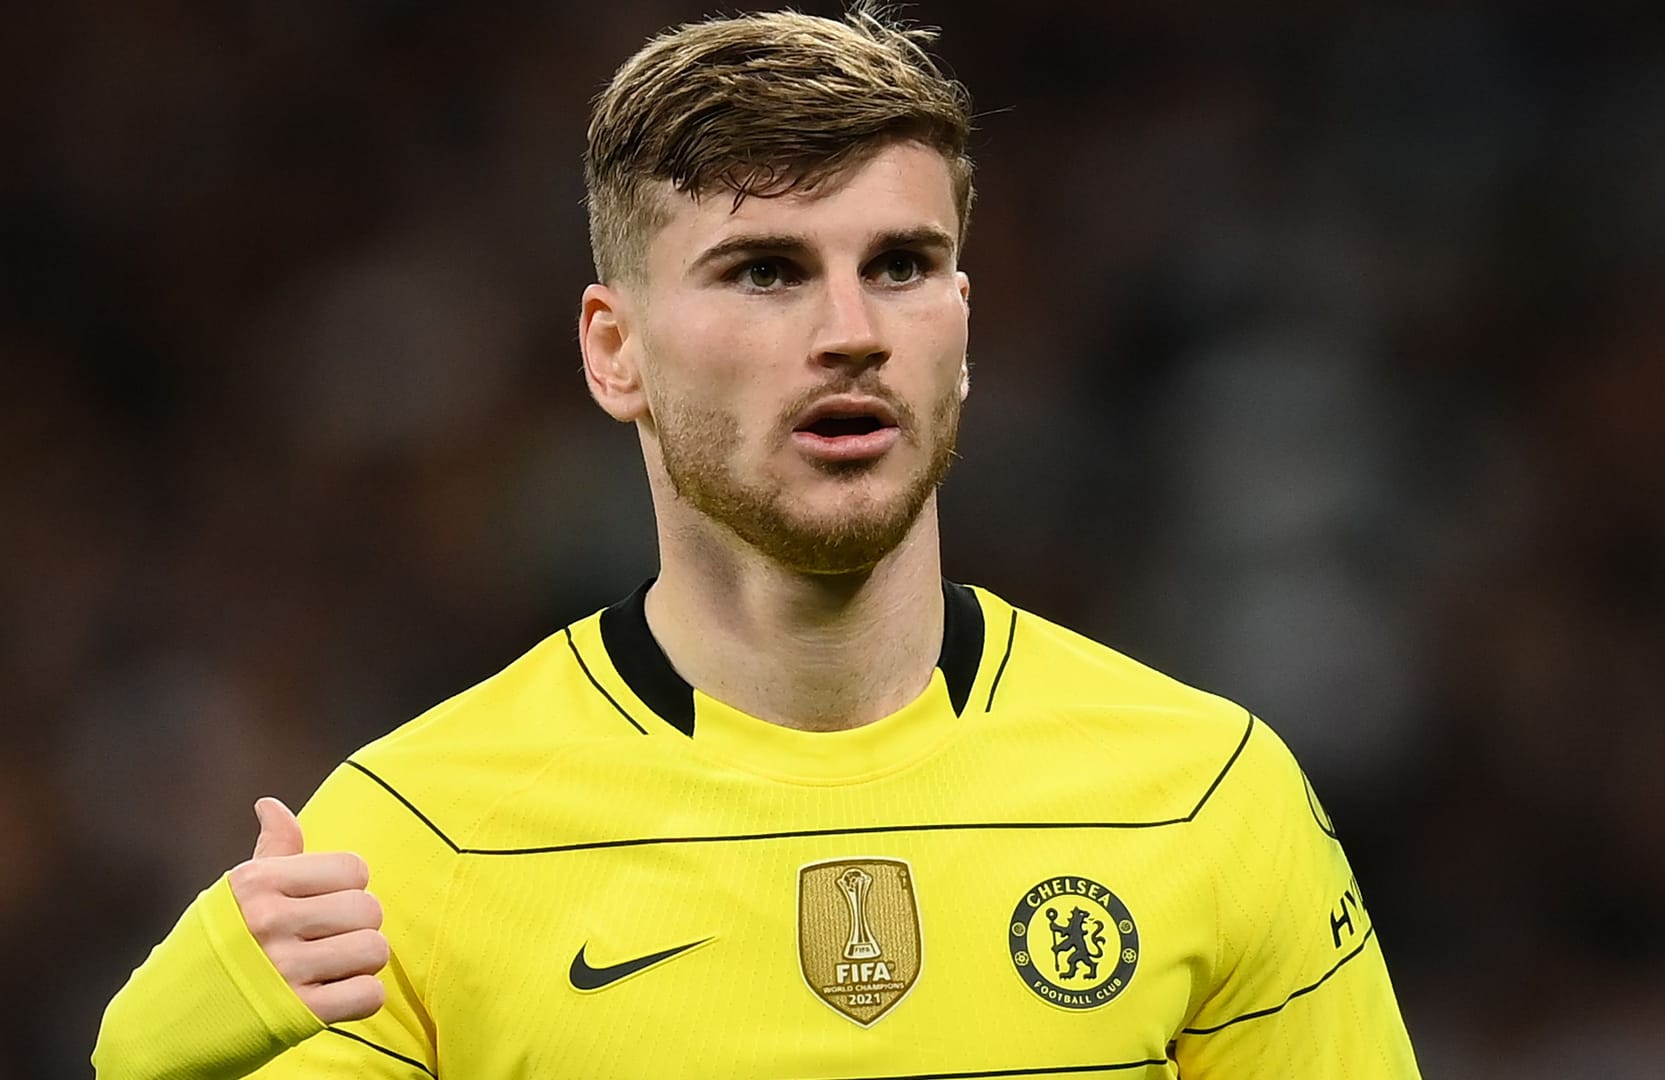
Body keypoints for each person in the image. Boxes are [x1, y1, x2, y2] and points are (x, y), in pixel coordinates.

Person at [93, 5, 1422, 1076]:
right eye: (766, 270)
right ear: (615, 352)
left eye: (899, 264)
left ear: (961, 323)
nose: (851, 328)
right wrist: (155, 1054)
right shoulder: (414, 845)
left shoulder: (1207, 796)